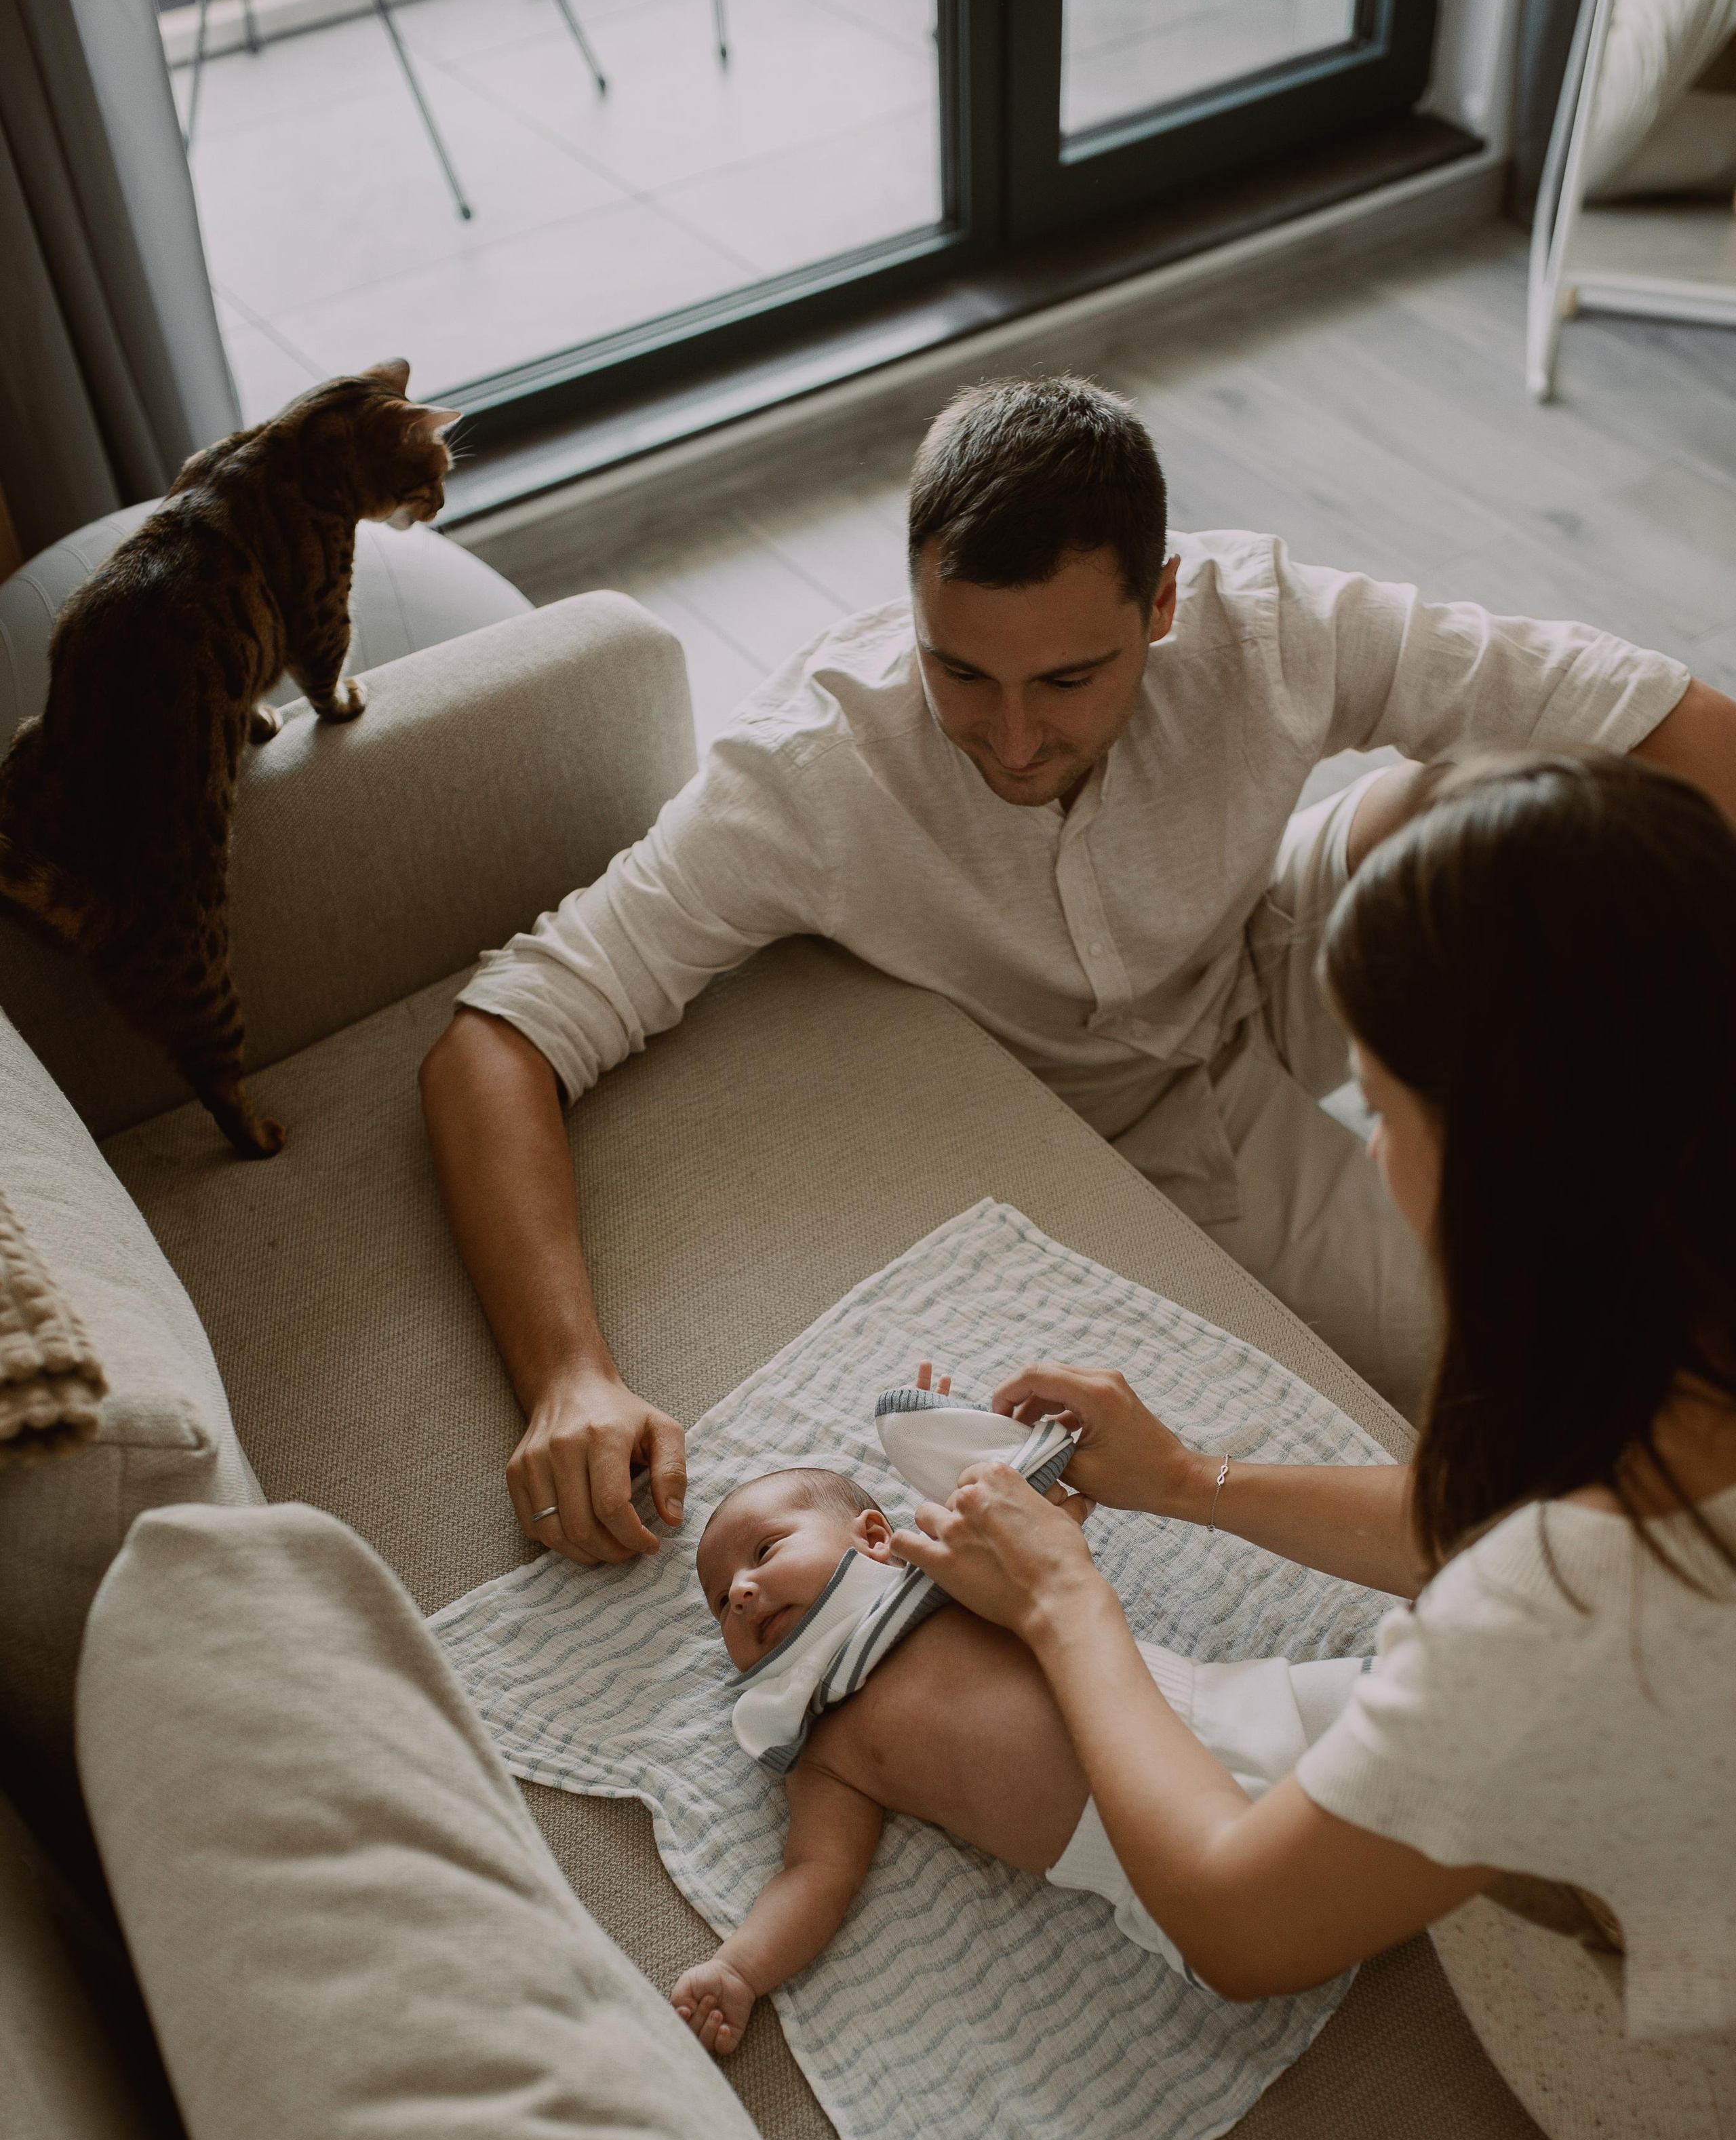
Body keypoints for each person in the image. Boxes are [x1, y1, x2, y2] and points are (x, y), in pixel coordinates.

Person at [420, 374, 1736, 1567]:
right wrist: (567, 1377)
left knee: (1490, 802)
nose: (1011, 738)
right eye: (957, 669)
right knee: (1550, 1368)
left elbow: (1665, 719)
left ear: (1160, 605)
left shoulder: (1263, 622)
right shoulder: (802, 777)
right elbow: (501, 1036)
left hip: (1270, 932)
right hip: (1134, 1115)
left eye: (1067, 678)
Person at [884, 752, 1736, 2025]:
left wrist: (1065, 1601)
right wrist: (1190, 1480)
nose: (1371, 1151)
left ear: (1510, 1161)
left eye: (1380, 1109)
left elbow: (1239, 1923)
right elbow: (1513, 1516)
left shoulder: (1568, 1612)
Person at [671, 1457, 1366, 2055]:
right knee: (1287, 1922)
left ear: (875, 1537)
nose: (741, 1593)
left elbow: (1029, 1535)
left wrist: (970, 1454)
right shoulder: (822, 1739)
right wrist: (740, 1969)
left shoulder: (941, 1584)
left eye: (765, 1551)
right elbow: (816, 1872)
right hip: (1149, 1867)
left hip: (1225, 1708)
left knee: (1397, 1708)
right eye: (720, 1602)